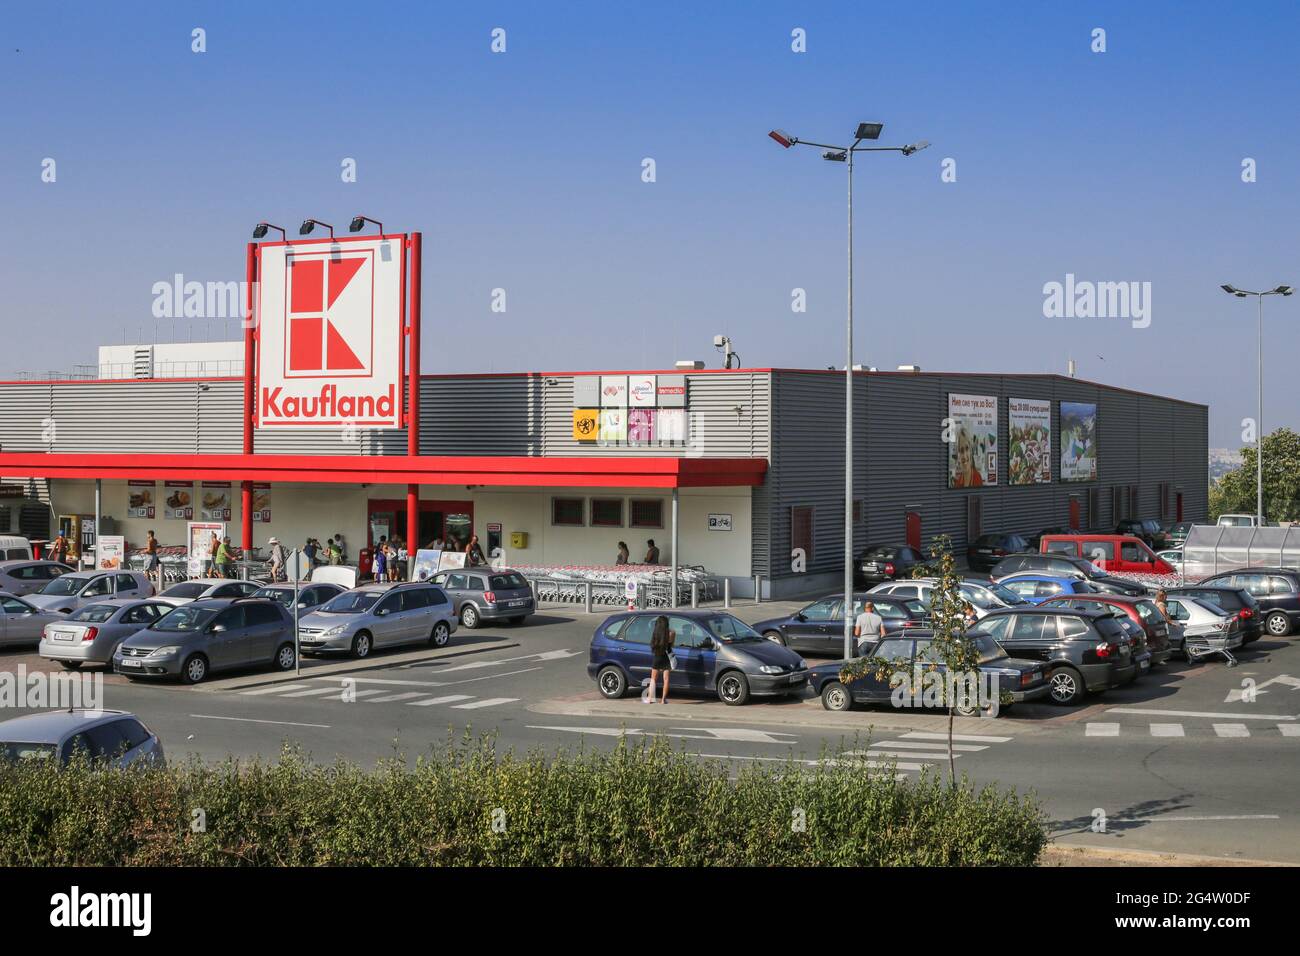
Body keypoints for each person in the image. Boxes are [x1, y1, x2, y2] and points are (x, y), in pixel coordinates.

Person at [647, 615, 675, 704]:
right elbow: (672, 644)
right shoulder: (671, 633)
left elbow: (653, 645)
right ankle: (663, 700)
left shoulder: (655, 633)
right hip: (666, 657)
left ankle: (650, 699)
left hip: (657, 656)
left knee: (653, 679)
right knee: (666, 679)